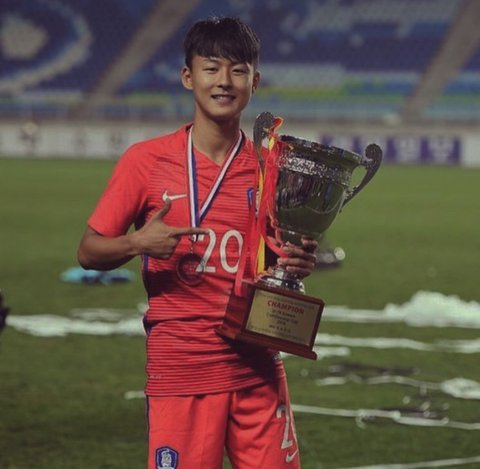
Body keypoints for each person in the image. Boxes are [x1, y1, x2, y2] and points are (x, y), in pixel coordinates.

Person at [78, 16, 317, 469]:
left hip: (257, 364)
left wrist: (296, 261)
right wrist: (138, 243)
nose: (224, 81)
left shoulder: (272, 168)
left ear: (255, 82)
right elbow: (89, 252)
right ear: (188, 77)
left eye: (238, 70)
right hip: (182, 368)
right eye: (211, 68)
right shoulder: (146, 161)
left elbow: (276, 257)